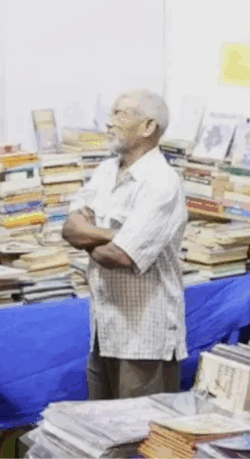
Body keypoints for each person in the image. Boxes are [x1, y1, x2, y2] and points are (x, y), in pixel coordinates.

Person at [61, 89, 188, 400]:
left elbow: (119, 255)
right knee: (100, 433)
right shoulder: (106, 170)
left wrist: (91, 236)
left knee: (139, 435)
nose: (109, 122)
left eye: (121, 114)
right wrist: (113, 233)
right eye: (112, 113)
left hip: (144, 338)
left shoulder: (162, 182)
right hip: (105, 330)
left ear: (148, 127)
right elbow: (69, 229)